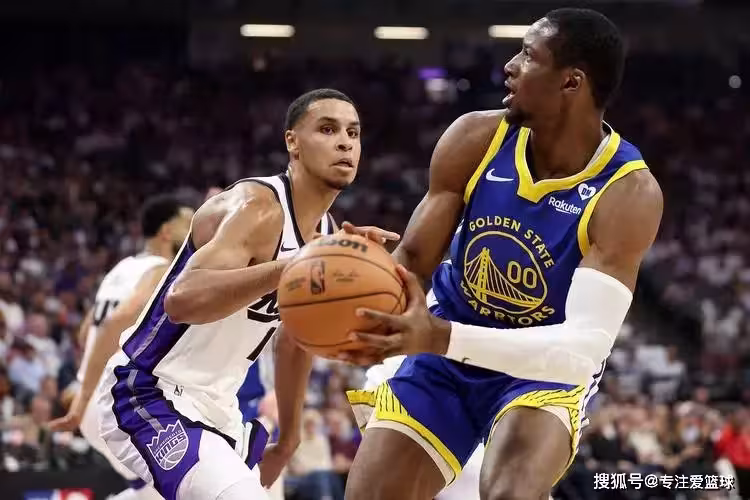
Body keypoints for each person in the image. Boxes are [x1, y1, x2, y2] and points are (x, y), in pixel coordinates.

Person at [342, 8, 663, 500]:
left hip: (540, 369)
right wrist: (356, 273)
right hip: (444, 353)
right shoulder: (475, 137)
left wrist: (440, 336)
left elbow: (580, 351)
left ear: (571, 82)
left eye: (529, 56)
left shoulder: (628, 192)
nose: (509, 66)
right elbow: (414, 259)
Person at [94, 88, 397, 500]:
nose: (345, 142)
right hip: (148, 390)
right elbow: (180, 300)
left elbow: (294, 340)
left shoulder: (326, 232)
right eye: (327, 129)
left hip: (221, 407)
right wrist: (297, 263)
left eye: (353, 132)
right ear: (292, 142)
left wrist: (289, 438)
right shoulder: (257, 207)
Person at [50, 194, 194, 500]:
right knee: (180, 484)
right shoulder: (162, 269)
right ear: (167, 231)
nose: (194, 227)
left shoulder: (121, 268)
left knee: (152, 490)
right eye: (187, 221)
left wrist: (84, 390)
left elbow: (86, 332)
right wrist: (87, 394)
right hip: (114, 401)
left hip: (94, 404)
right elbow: (117, 320)